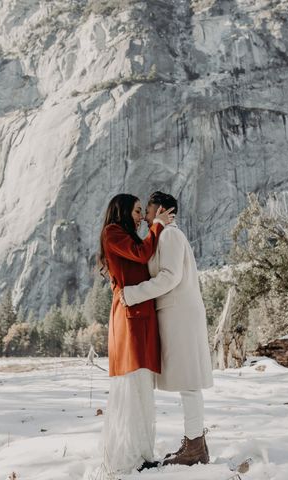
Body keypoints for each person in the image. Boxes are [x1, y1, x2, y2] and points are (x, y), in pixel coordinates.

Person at [120, 191, 213, 466]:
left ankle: (195, 447)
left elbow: (170, 277)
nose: (145, 214)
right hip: (177, 313)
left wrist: (132, 294)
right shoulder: (166, 235)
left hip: (180, 314)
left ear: (159, 208)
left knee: (189, 382)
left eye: (147, 208)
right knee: (188, 380)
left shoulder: (171, 235)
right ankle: (196, 444)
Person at [98, 193, 174, 474]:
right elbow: (142, 254)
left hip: (138, 316)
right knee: (132, 385)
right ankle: (129, 457)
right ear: (123, 210)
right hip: (129, 318)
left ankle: (142, 454)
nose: (142, 216)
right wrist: (158, 225)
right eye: (138, 211)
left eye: (144, 212)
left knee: (142, 387)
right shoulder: (112, 232)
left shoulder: (125, 236)